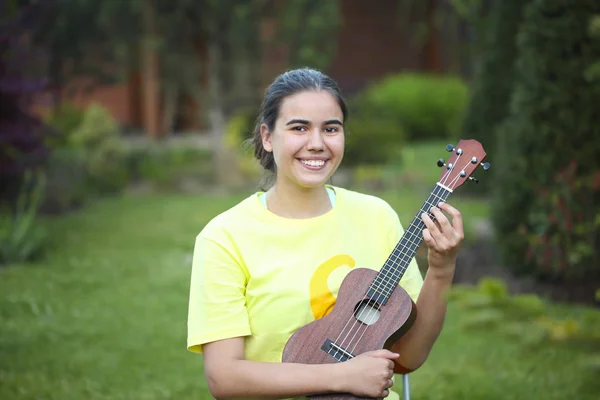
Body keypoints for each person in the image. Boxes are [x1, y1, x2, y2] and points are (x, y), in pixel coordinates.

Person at [187, 68, 464, 400]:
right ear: (267, 137)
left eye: (330, 129)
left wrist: (442, 269)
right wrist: (342, 375)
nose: (316, 144)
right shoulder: (224, 238)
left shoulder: (376, 216)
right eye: (299, 128)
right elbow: (225, 378)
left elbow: (408, 356)